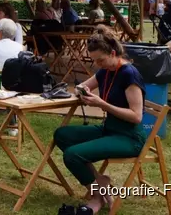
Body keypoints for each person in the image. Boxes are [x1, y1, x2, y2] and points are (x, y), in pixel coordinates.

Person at [54, 26, 146, 214]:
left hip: (129, 137)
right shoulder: (106, 70)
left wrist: (102, 104)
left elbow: (137, 116)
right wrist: (82, 91)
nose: (98, 64)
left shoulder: (129, 74)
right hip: (109, 129)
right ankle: (100, 181)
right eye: (94, 60)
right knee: (61, 135)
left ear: (113, 53)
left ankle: (98, 197)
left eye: (101, 60)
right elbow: (82, 86)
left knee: (72, 154)